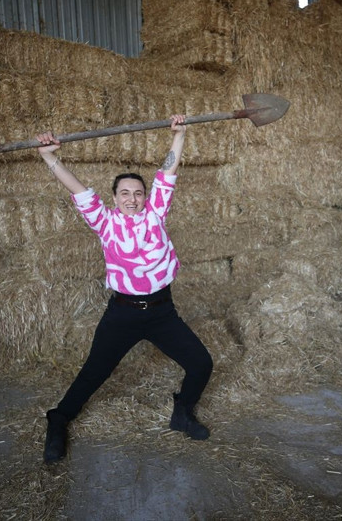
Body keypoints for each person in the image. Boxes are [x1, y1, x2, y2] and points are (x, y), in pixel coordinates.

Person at [36, 115, 214, 464]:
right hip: (123, 314)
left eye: (137, 193)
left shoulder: (155, 215)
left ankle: (182, 413)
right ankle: (59, 419)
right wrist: (50, 158)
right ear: (114, 198)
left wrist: (178, 136)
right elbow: (77, 188)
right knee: (94, 373)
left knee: (201, 364)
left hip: (162, 312)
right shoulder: (104, 222)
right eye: (124, 193)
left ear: (145, 197)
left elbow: (169, 174)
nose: (131, 199)